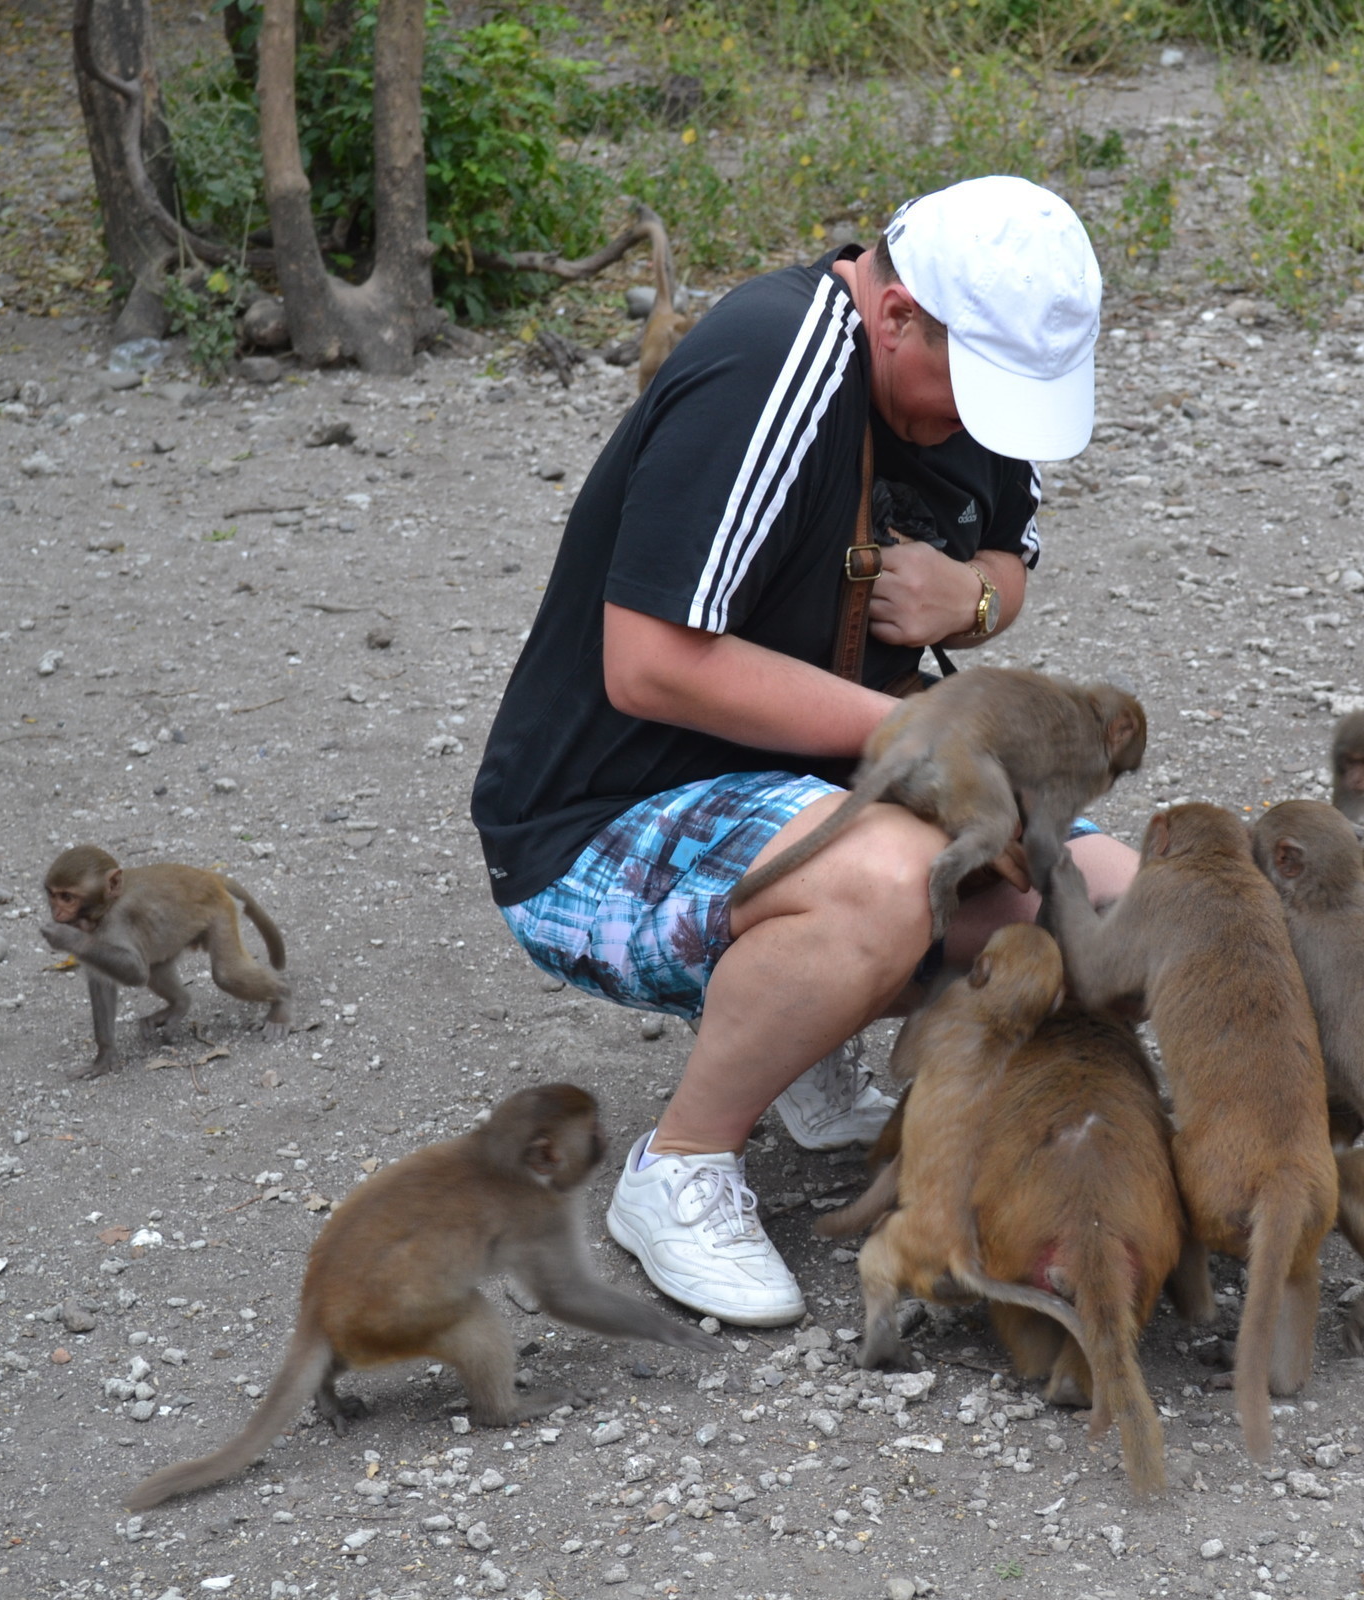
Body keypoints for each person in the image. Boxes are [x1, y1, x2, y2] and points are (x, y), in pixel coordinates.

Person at [470, 176, 1136, 1326]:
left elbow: (1008, 566)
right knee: (885, 882)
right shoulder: (773, 363)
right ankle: (681, 1166)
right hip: (600, 817)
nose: (983, 427)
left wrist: (967, 602)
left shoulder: (963, 392)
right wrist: (912, 728)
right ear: (895, 315)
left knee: (1121, 902)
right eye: (973, 393)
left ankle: (824, 1037)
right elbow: (651, 664)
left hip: (821, 783)